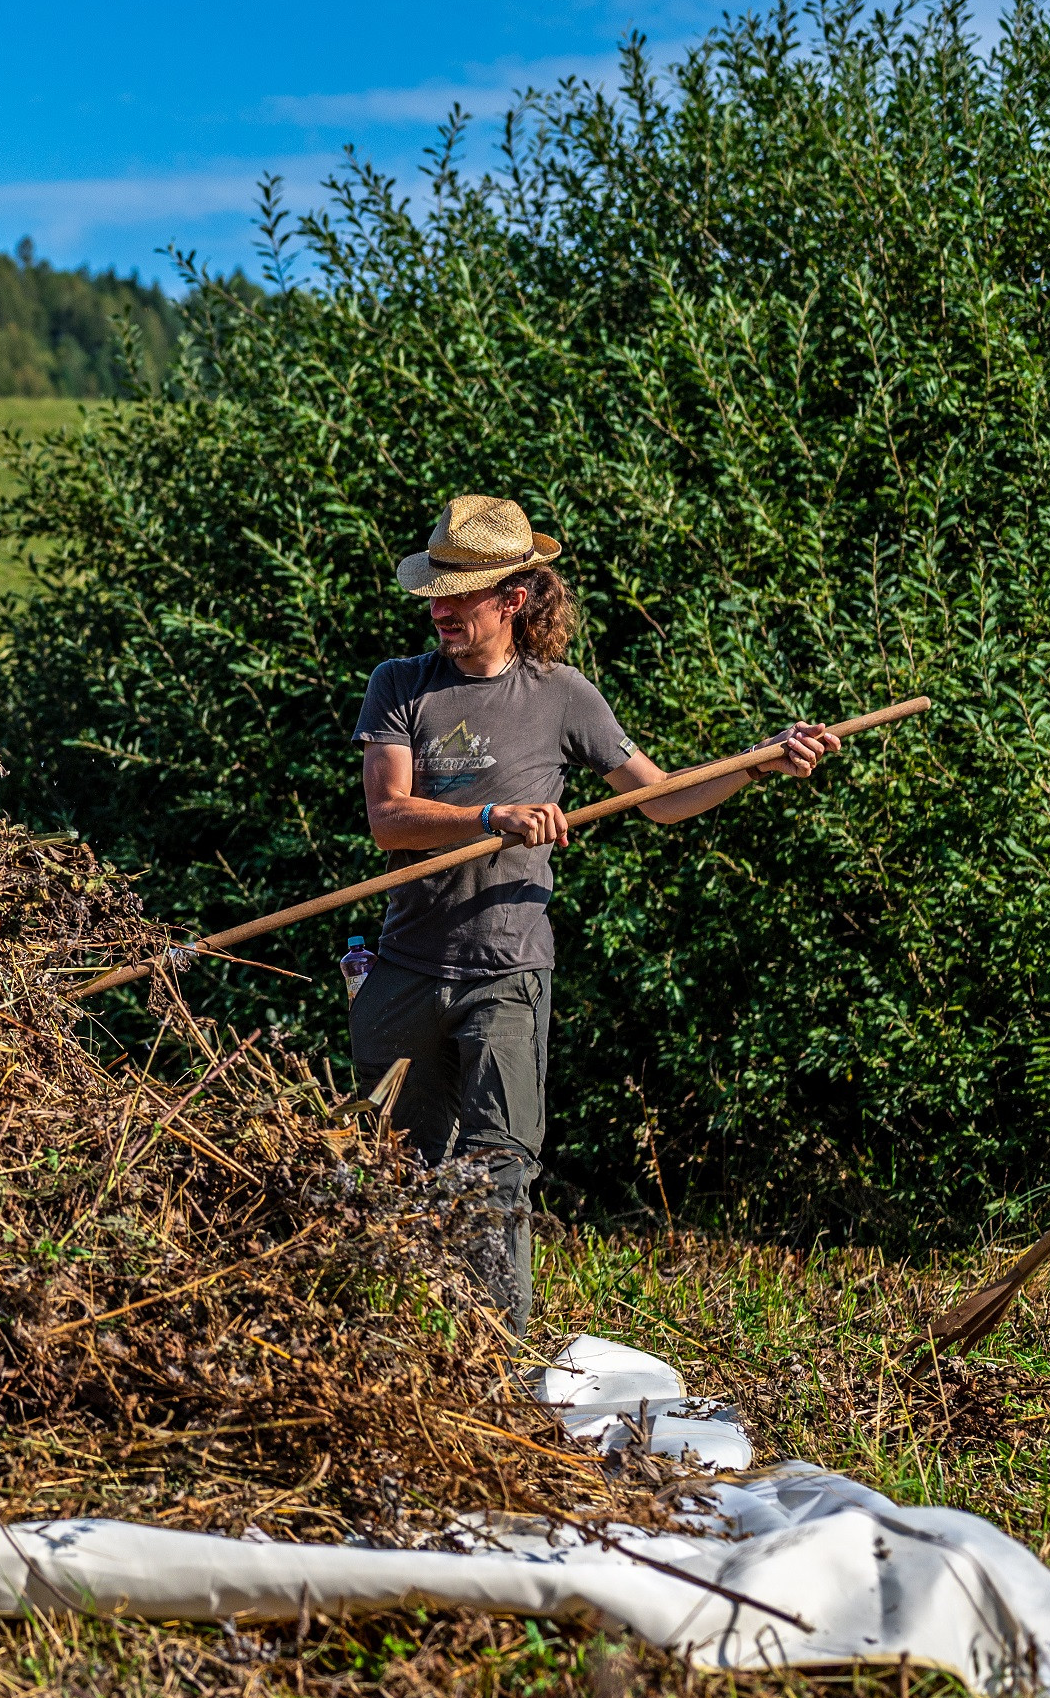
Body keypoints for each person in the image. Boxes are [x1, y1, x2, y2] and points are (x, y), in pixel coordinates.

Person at [349, 495, 838, 1335]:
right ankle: (390, 1347)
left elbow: (659, 801)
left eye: (459, 593)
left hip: (507, 969)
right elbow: (389, 817)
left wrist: (762, 763)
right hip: (405, 968)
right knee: (393, 1169)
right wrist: (488, 818)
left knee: (498, 1167)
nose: (439, 609)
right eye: (436, 590)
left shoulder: (564, 697)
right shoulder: (401, 685)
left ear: (510, 599)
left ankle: (496, 1355)